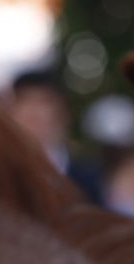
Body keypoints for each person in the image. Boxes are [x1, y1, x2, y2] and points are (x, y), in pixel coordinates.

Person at [7, 69, 106, 205]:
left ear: (63, 111)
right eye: (23, 102)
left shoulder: (88, 179)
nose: (32, 113)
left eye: (42, 102)